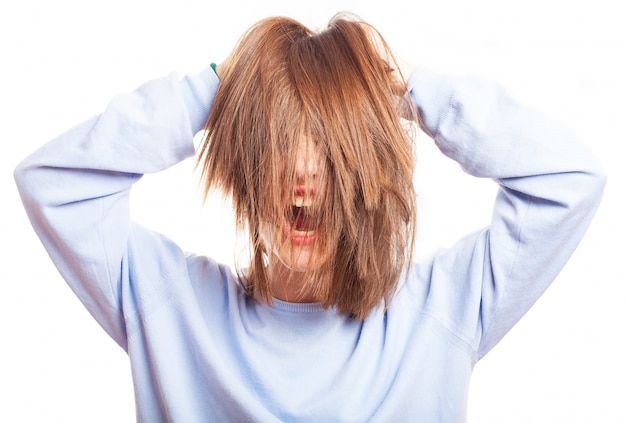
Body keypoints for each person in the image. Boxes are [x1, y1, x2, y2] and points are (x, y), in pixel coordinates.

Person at [14, 12, 605, 423]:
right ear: (246, 167)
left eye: (331, 147)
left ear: (369, 172)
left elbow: (570, 181)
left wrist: (410, 86)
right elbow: (51, 184)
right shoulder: (169, 302)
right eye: (279, 143)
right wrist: (221, 86)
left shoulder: (441, 309)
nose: (305, 175)